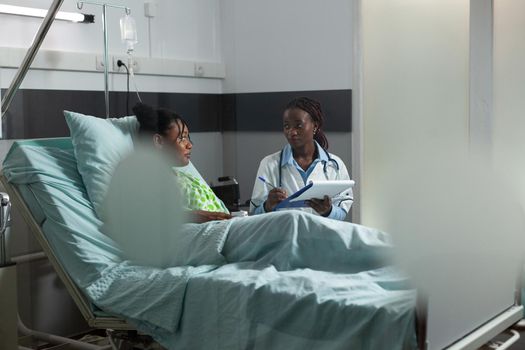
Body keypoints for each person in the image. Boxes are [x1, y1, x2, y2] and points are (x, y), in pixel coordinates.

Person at [250, 97, 353, 220]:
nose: (291, 132)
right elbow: (255, 214)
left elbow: (342, 212)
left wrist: (328, 211)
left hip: (321, 237)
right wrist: (267, 206)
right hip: (285, 238)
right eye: (287, 126)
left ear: (315, 126)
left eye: (298, 126)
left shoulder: (335, 165)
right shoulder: (269, 164)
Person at [132, 103, 231, 223]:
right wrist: (193, 216)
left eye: (187, 138)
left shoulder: (186, 177)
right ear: (158, 141)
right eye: (182, 138)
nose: (189, 145)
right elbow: (147, 215)